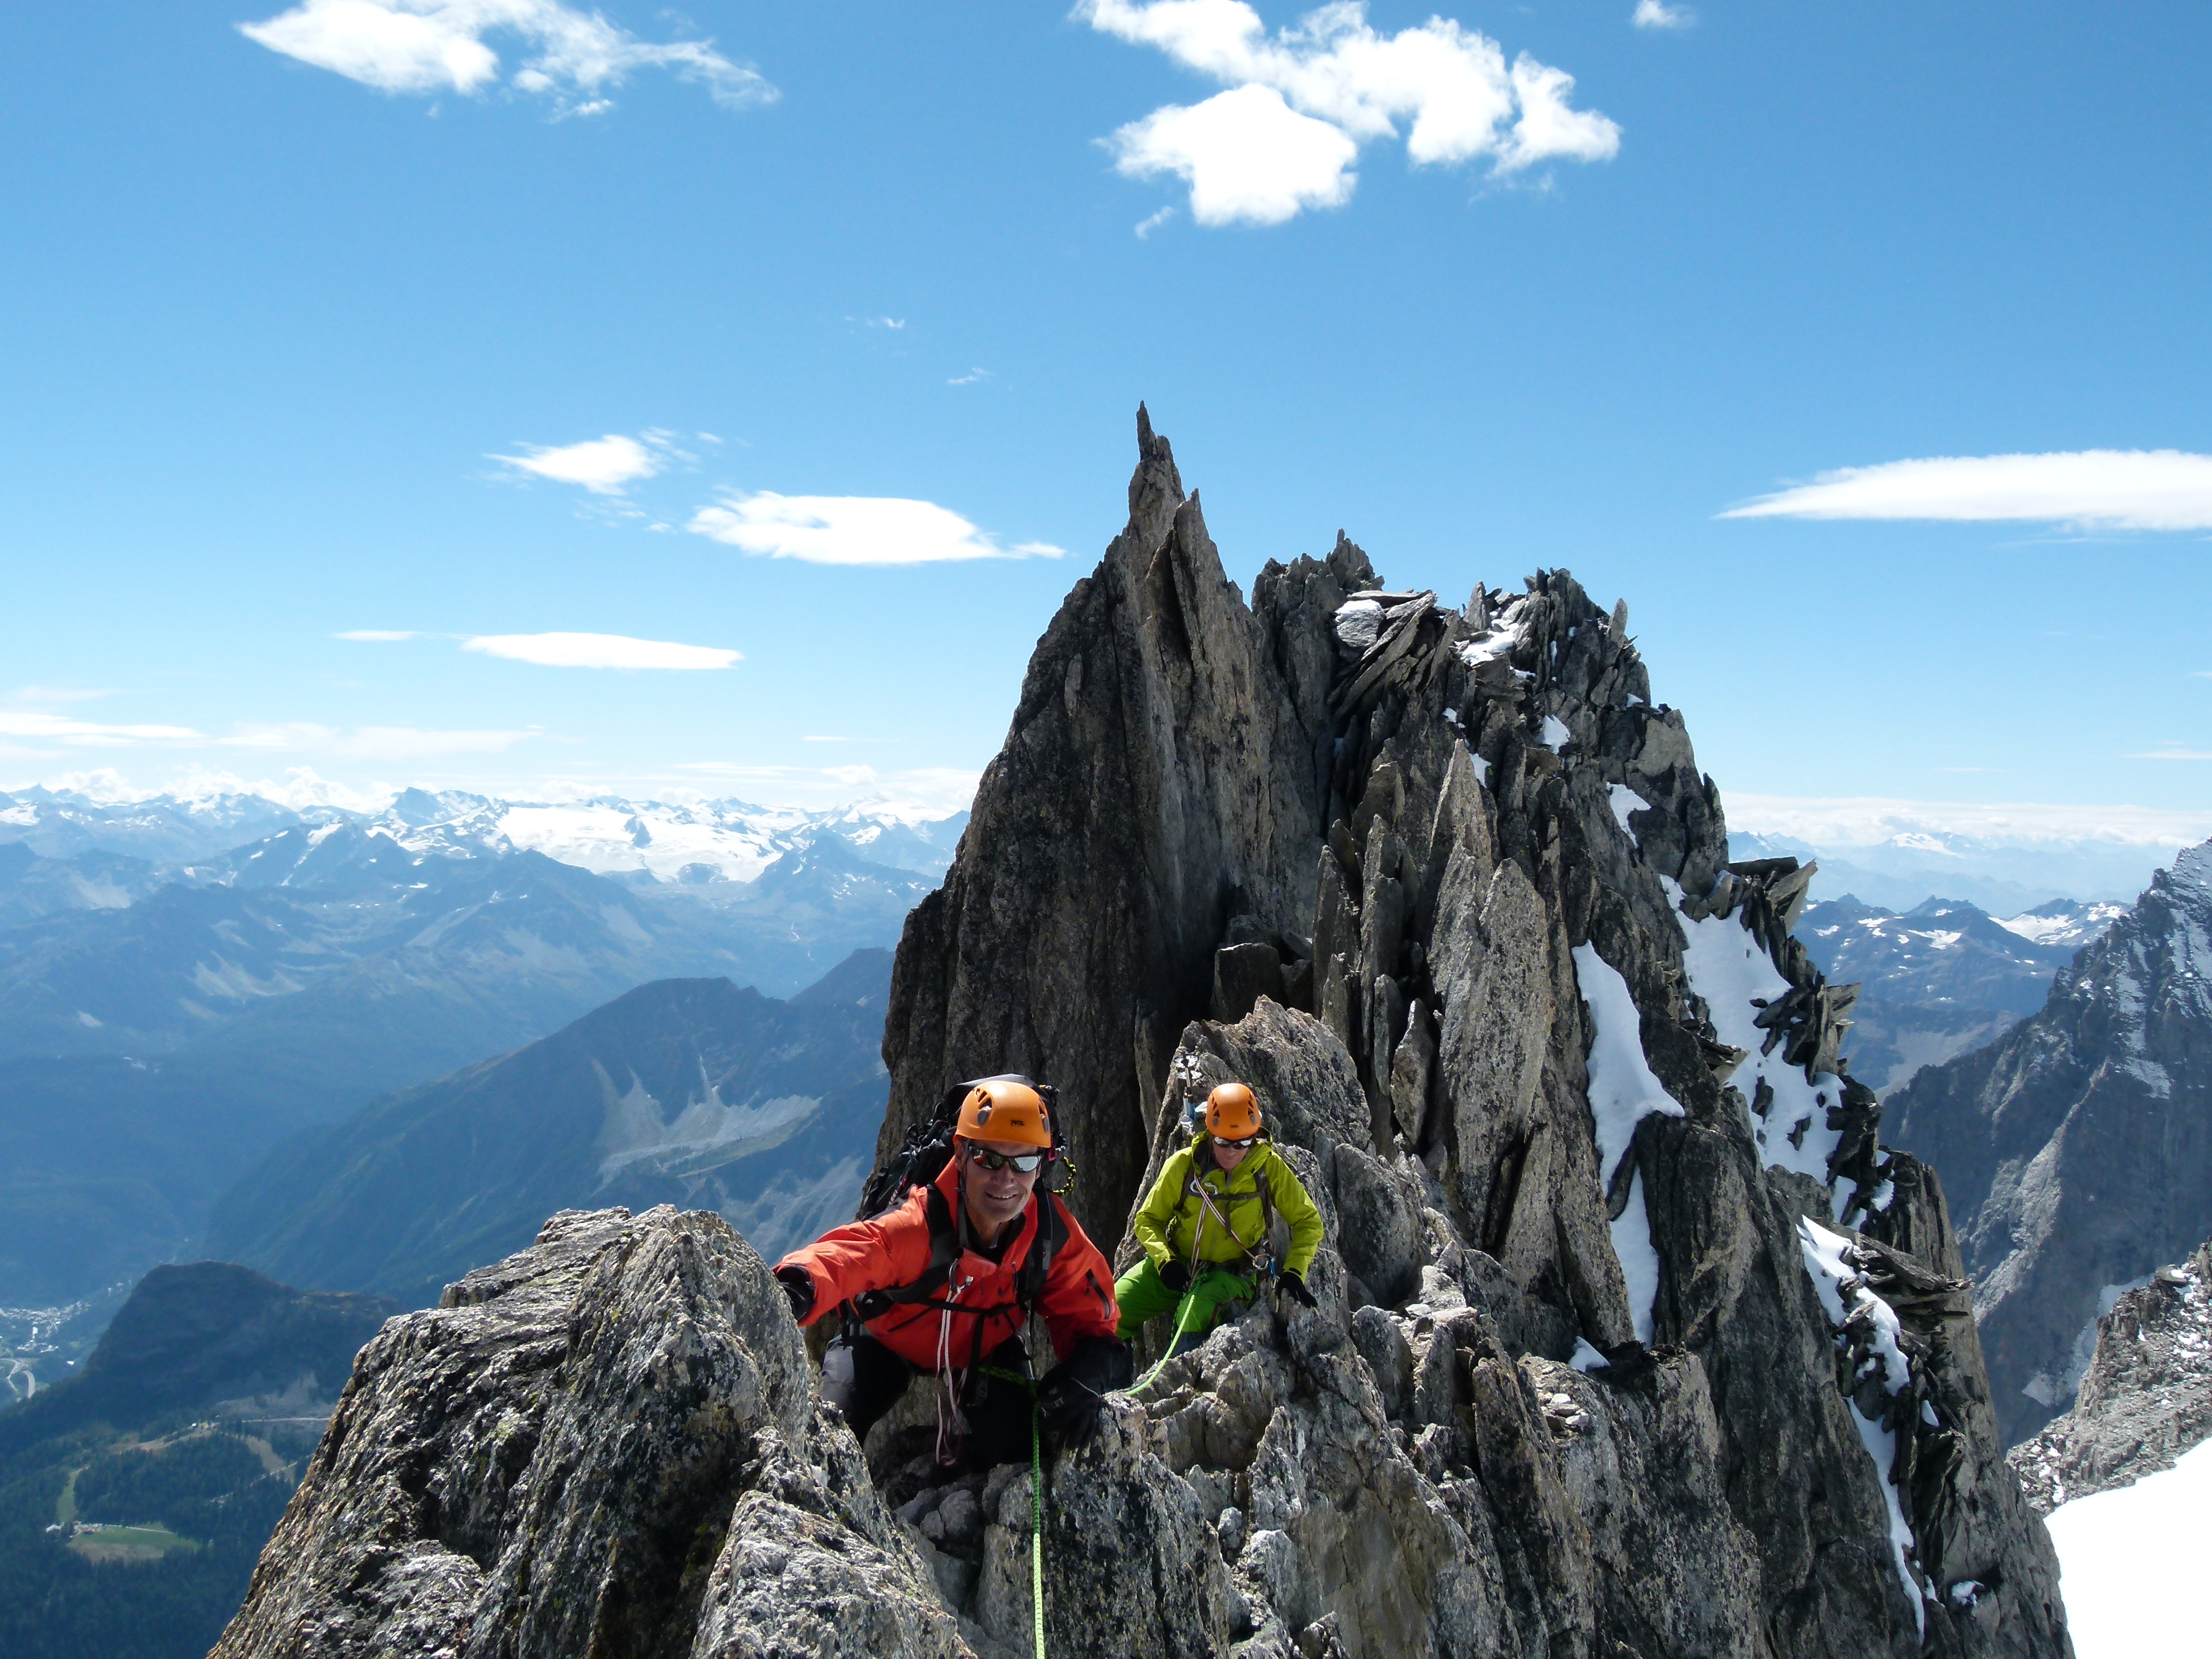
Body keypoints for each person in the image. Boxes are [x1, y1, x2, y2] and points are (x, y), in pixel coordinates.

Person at [774, 1077, 1131, 1468]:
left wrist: (1092, 1364)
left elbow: (1086, 1311)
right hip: (883, 1343)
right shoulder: (921, 1224)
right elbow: (852, 1254)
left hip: (981, 1351)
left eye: (1023, 1162)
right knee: (825, 1442)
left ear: (1042, 1166)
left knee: (1020, 1453)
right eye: (989, 1159)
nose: (1006, 1178)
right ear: (960, 1155)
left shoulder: (1049, 1236)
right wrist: (794, 1287)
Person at [1116, 1081, 1324, 1357]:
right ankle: (1109, 1385)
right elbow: (1148, 1220)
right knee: (1109, 1310)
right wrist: (1165, 1261)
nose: (1232, 1151)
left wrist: (1295, 1272)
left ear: (1255, 1137)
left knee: (1195, 1311)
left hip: (1235, 1273)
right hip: (1179, 1262)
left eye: (1243, 1143)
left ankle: (1181, 1381)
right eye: (1224, 1142)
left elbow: (1308, 1221)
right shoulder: (1184, 1165)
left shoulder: (1268, 1168)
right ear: (1211, 1133)